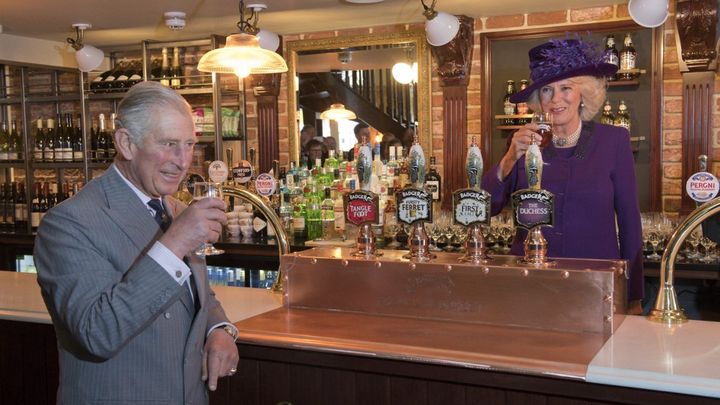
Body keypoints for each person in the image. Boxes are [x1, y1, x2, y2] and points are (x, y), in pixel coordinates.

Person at [34, 81, 239, 404]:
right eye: (169, 144)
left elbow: (197, 295)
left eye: (188, 144)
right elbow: (96, 333)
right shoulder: (68, 223)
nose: (183, 161)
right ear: (126, 143)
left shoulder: (174, 209)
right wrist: (176, 241)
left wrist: (219, 329)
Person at [481, 37, 644, 313]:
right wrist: (509, 158)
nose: (556, 99)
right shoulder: (523, 141)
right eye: (547, 90)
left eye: (566, 88)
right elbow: (485, 207)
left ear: (583, 93)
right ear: (538, 100)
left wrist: (633, 296)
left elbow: (630, 222)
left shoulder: (613, 141)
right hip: (529, 284)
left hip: (595, 286)